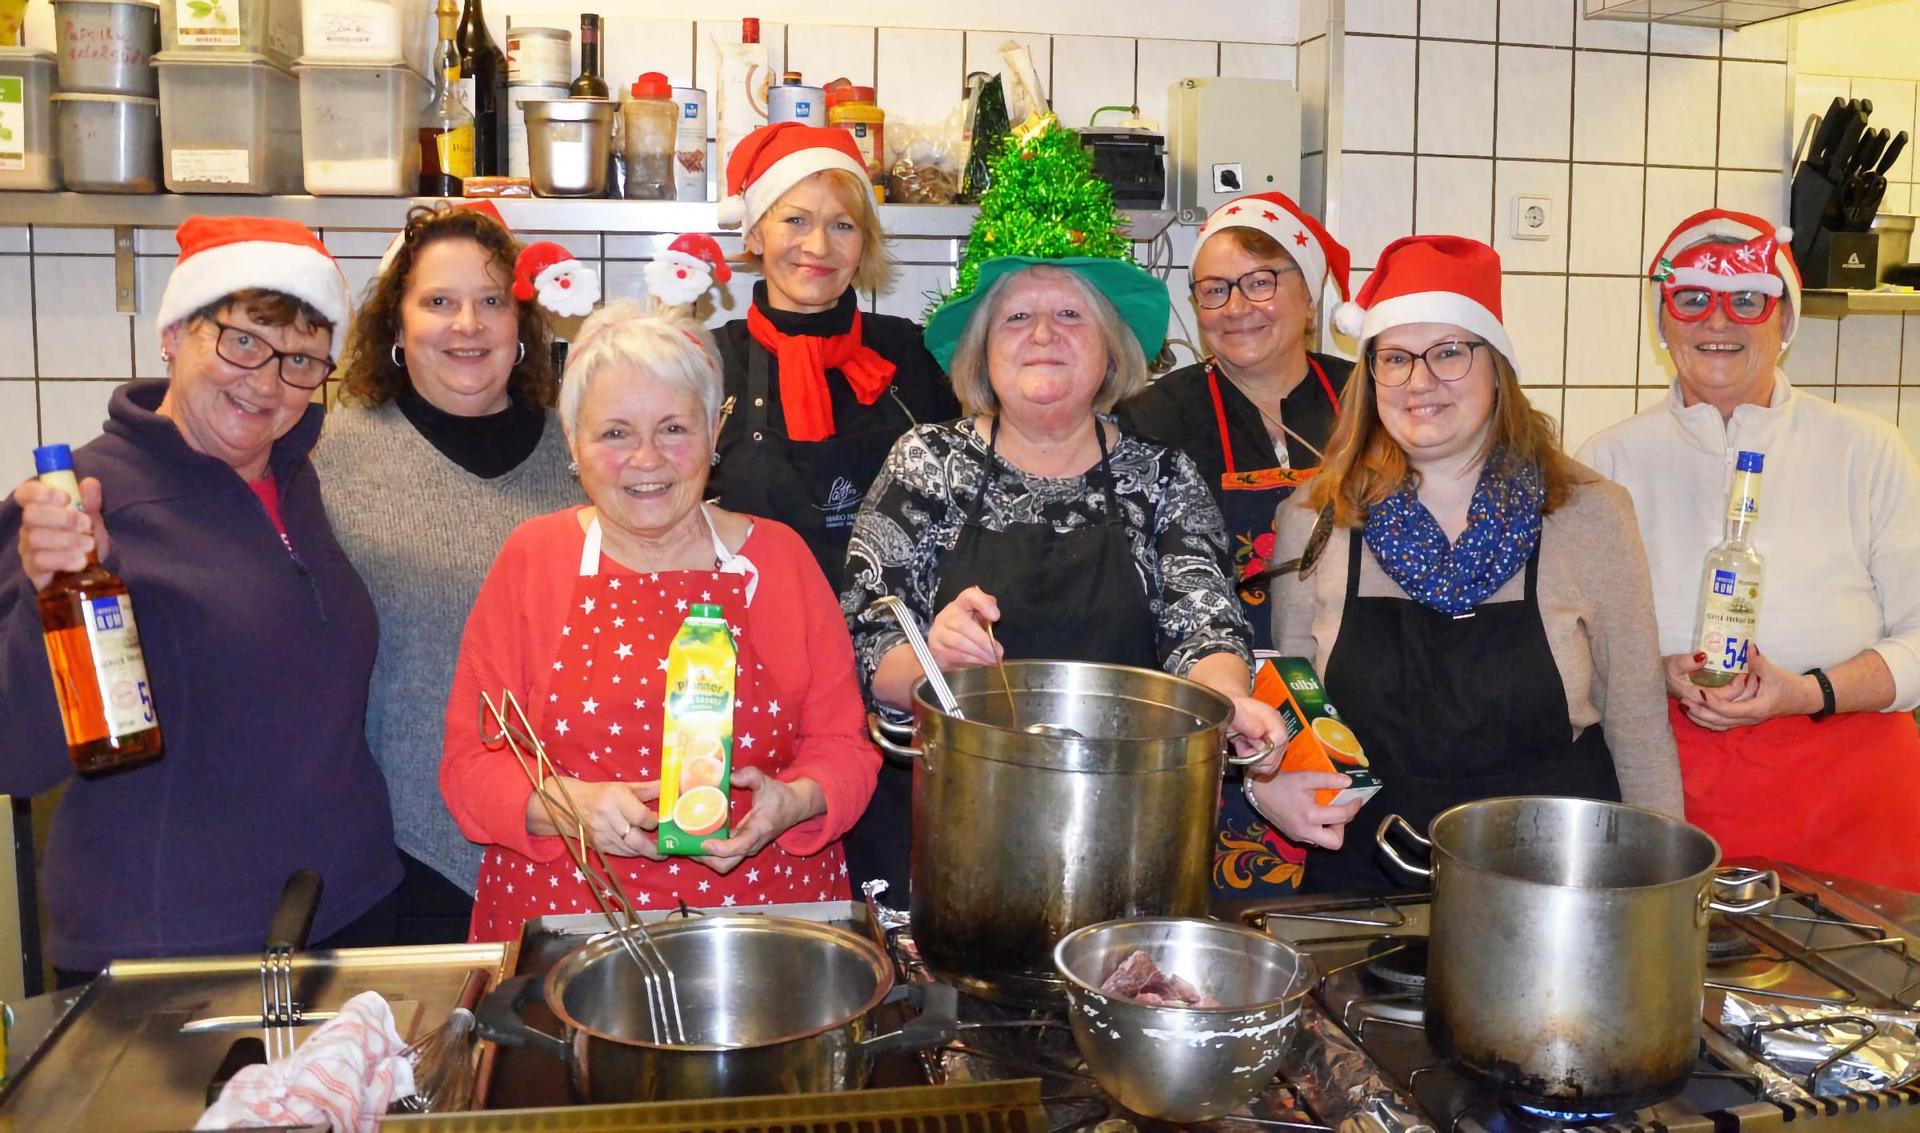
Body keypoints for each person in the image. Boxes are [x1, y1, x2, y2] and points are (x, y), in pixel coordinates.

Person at [843, 120, 1299, 897]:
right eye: (1018, 317)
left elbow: (1206, 628)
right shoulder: (926, 462)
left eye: (1071, 316)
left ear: (1111, 347)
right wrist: (930, 658)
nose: (1043, 335)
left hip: (1123, 828)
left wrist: (1229, 701)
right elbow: (869, 638)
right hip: (947, 832)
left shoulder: (1160, 476)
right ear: (984, 347)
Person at [0, 217, 401, 983]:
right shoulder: (79, 506)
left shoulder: (296, 478)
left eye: (300, 361)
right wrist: (47, 599)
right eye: (242, 340)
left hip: (345, 916)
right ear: (176, 332)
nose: (265, 381)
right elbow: (17, 755)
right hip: (175, 956)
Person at [440, 300, 881, 943]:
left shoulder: (779, 559)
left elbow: (846, 750)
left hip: (768, 928)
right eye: (615, 433)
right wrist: (567, 807)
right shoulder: (534, 559)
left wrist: (796, 801)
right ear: (574, 443)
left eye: (673, 428)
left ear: (713, 433)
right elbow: (469, 767)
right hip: (569, 924)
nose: (646, 459)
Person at [1265, 234, 1683, 895]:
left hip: (1555, 887)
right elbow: (1291, 689)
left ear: (1498, 367)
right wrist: (1275, 779)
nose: (1420, 381)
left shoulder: (1588, 515)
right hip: (1368, 885)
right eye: (1395, 358)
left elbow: (1637, 723)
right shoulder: (1315, 519)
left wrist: (1663, 898)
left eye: (1450, 352)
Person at [1578, 209, 1920, 892]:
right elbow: (1573, 647)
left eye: (1747, 300)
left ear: (1784, 322)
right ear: (1663, 319)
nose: (1718, 321)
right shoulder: (1606, 461)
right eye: (1694, 298)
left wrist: (1807, 691)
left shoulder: (1868, 450)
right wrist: (1654, 667)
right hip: (1670, 792)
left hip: (1851, 801)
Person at [315, 202, 579, 944]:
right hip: (402, 850)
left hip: (575, 839)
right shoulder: (330, 457)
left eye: (492, 301)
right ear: (395, 325)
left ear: (522, 325)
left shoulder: (585, 455)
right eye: (439, 301)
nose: (468, 324)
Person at [709, 122, 958, 893]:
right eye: (795, 218)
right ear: (754, 232)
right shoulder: (708, 361)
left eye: (843, 223)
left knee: (899, 911)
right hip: (754, 685)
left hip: (896, 692)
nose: (818, 244)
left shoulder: (912, 356)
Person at [1117, 192, 1352, 900]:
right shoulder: (1153, 414)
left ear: (1307, 296)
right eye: (1213, 289)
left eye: (1260, 280)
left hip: (1361, 699)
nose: (1236, 305)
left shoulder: (1369, 400)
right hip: (1218, 714)